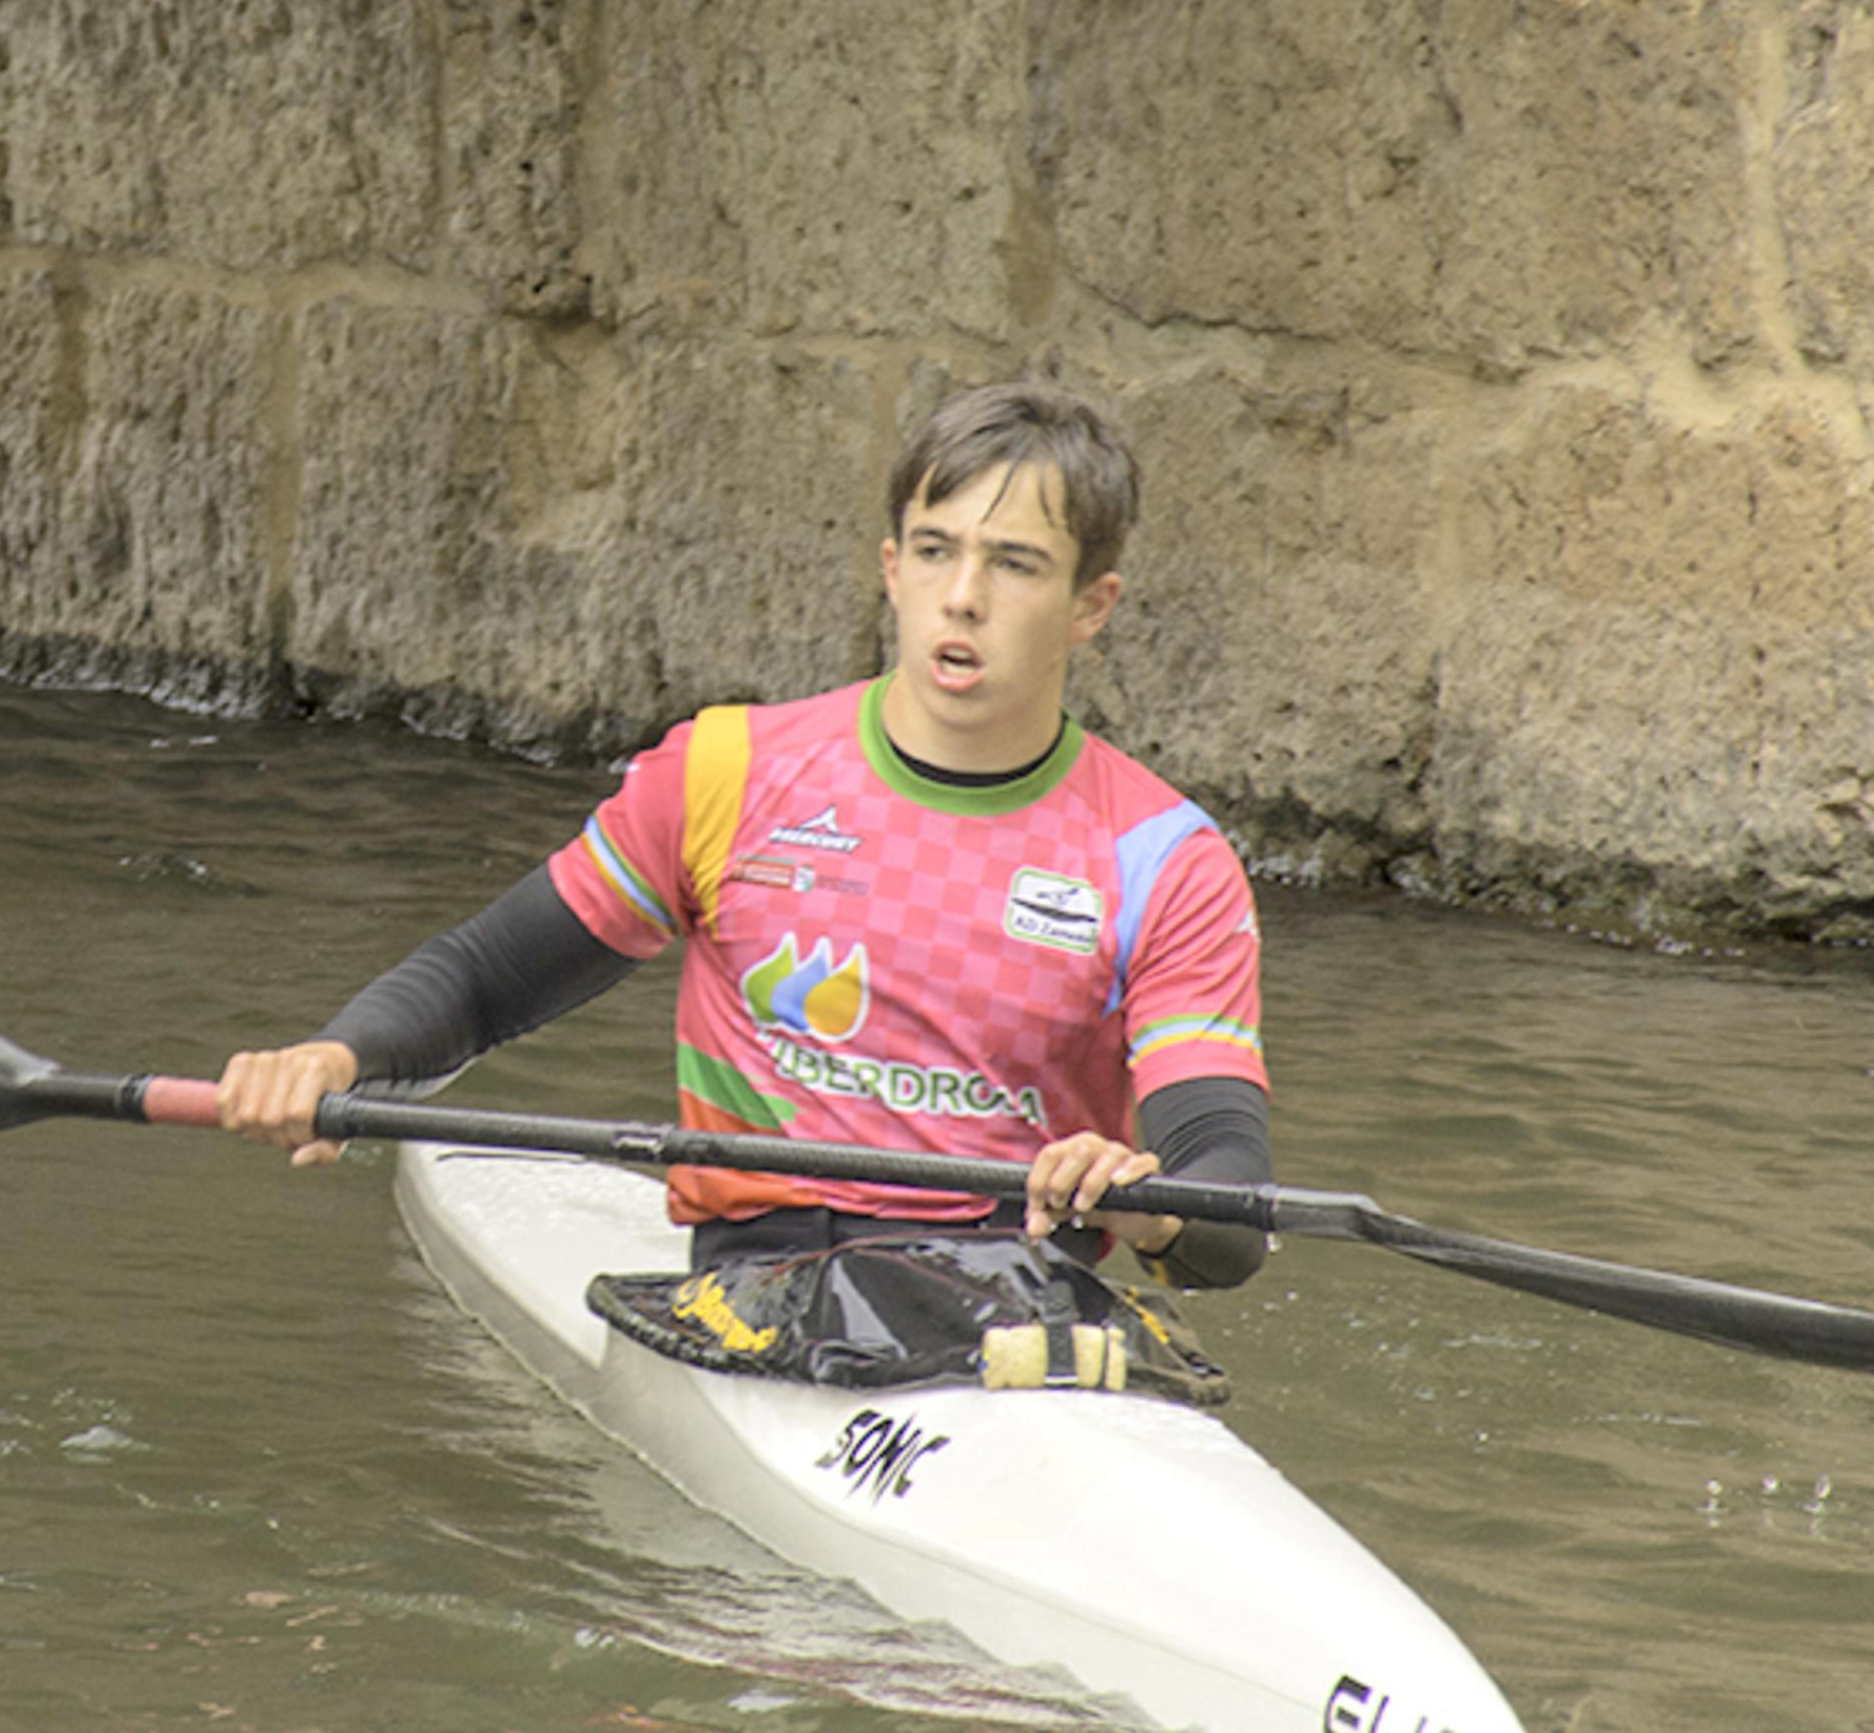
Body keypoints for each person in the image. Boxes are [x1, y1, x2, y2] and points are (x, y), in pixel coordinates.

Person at [216, 377, 1273, 1288]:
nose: (961, 598)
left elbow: (1227, 1194)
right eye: (935, 550)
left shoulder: (1161, 859)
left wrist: (1146, 1205)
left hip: (1016, 1288)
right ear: (888, 566)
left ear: (1091, 605)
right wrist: (334, 1057)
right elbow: (484, 983)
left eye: (1013, 565)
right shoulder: (730, 773)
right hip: (762, 1277)